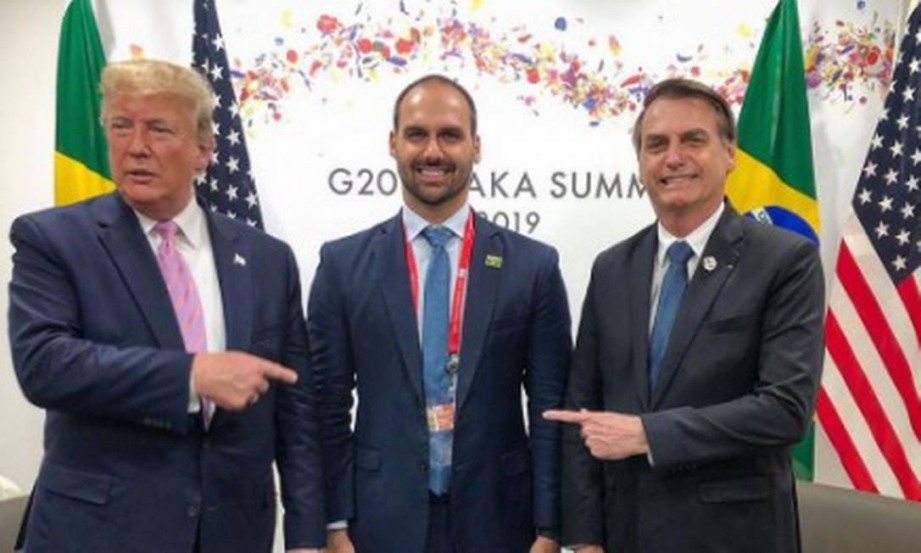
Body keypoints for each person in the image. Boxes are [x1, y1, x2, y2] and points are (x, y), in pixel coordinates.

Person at [7, 59, 323, 553]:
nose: (136, 147)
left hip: (232, 533)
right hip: (98, 533)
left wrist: (307, 536)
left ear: (203, 150)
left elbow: (296, 410)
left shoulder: (267, 259)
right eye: (120, 126)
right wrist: (191, 376)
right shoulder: (53, 240)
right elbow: (45, 365)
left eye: (158, 129)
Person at [544, 77, 824, 552]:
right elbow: (582, 410)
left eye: (693, 140)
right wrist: (586, 537)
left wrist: (647, 434)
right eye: (657, 145)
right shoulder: (612, 267)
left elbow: (785, 410)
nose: (674, 157)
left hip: (735, 537)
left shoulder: (785, 260)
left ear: (730, 153)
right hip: (625, 533)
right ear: (640, 164)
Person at [308, 74, 572, 552]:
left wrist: (550, 530)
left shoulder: (533, 266)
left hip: (503, 525)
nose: (433, 151)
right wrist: (332, 522)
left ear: (476, 145)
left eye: (450, 135)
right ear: (393, 143)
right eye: (416, 134)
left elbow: (551, 411)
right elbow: (325, 408)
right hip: (376, 525)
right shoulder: (342, 266)